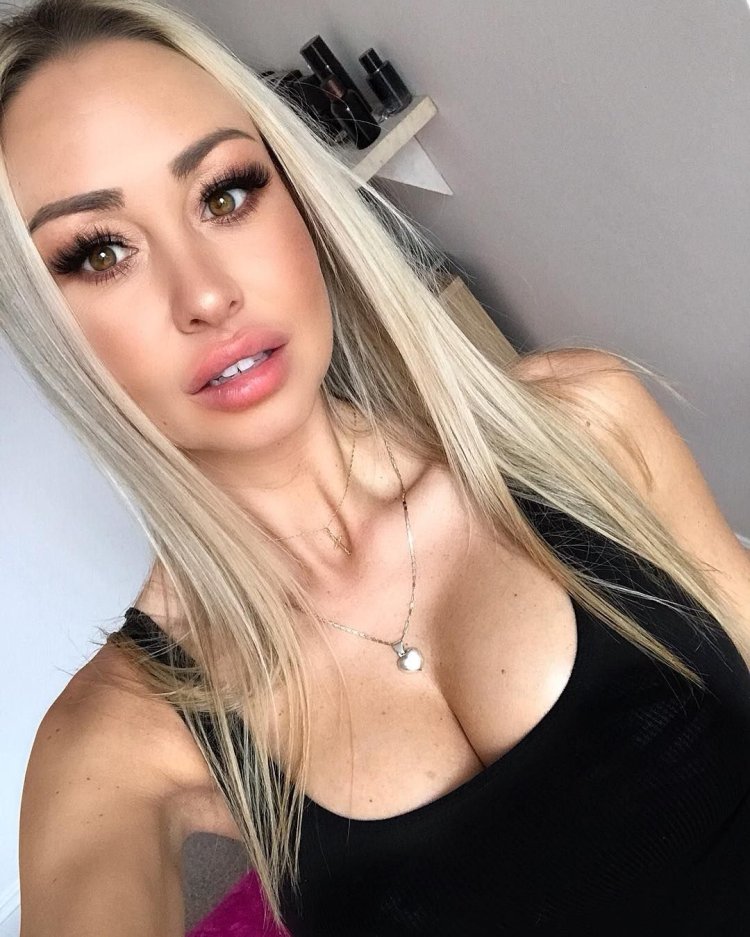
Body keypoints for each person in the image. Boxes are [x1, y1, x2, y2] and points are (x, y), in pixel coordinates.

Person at [1, 1, 749, 935]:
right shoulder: (117, 740)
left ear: (298, 198)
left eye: (224, 195)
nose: (207, 294)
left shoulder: (586, 426)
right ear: (45, 326)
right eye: (100, 252)